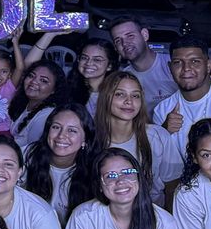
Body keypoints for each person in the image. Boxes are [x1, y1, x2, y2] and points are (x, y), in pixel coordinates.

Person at [94, 70, 183, 201]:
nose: (129, 101)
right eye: (120, 94)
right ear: (105, 97)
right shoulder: (91, 141)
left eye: (135, 96)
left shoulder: (158, 135)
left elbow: (173, 186)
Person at [22, 104, 101, 221]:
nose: (61, 136)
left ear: (85, 139)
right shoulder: (26, 155)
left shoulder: (94, 169)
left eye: (72, 130)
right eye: (56, 127)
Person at [108, 17, 178, 112]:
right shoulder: (122, 79)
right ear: (116, 48)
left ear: (145, 35)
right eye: (118, 41)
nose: (124, 43)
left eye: (130, 36)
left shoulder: (173, 64)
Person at [11, 61, 70, 147]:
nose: (34, 81)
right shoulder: (24, 103)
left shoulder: (46, 115)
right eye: (31, 76)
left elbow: (34, 149)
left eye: (43, 80)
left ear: (54, 90)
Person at [73, 39, 118, 114]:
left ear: (109, 66)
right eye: (84, 58)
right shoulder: (70, 89)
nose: (88, 63)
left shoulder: (116, 94)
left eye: (97, 60)